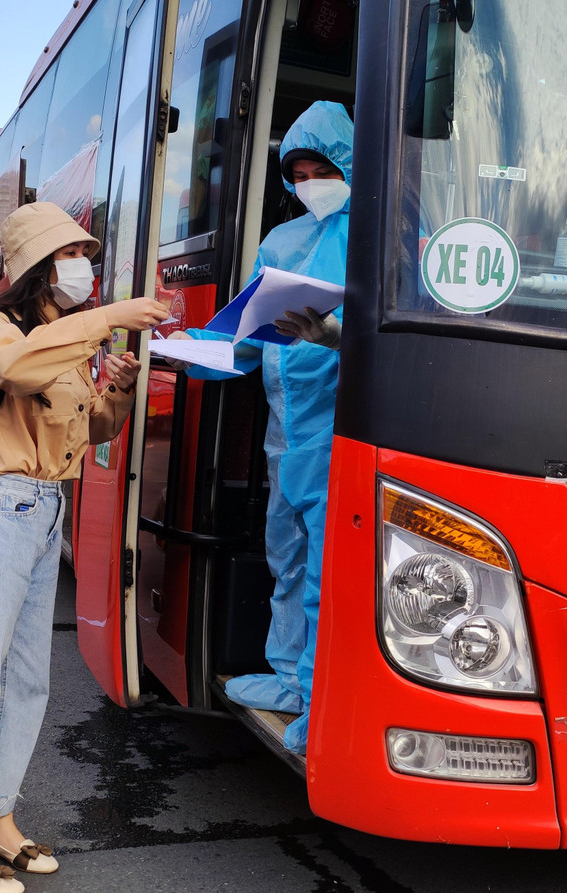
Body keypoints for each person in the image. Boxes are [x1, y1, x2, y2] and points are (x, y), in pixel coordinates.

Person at [0, 201, 167, 893]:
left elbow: (89, 430)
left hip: (46, 510)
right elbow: (14, 372)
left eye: (86, 255)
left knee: (26, 680)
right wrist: (106, 319)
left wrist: (118, 388)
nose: (84, 266)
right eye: (72, 254)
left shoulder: (69, 340)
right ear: (42, 266)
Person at [167, 101, 349, 755]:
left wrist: (335, 335)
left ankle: (317, 698)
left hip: (338, 436)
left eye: (320, 167)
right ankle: (284, 675)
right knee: (289, 561)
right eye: (296, 172)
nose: (308, 182)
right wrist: (180, 350)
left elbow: (404, 345)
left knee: (330, 576)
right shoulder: (282, 244)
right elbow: (240, 344)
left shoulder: (380, 237)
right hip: (287, 438)